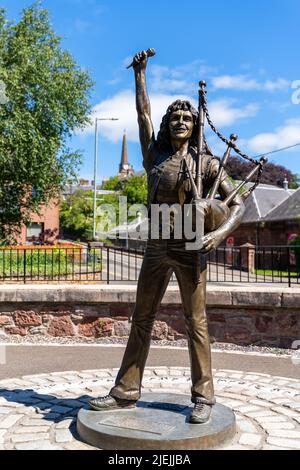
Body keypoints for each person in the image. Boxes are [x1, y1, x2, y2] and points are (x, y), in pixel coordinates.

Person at [89, 50, 245, 424]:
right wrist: (140, 75)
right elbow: (143, 114)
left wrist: (218, 235)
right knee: (142, 318)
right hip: (158, 245)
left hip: (193, 245)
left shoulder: (206, 164)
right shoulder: (154, 156)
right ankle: (125, 391)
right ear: (167, 123)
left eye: (186, 118)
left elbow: (237, 206)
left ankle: (203, 396)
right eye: (173, 117)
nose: (179, 121)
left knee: (197, 322)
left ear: (194, 125)